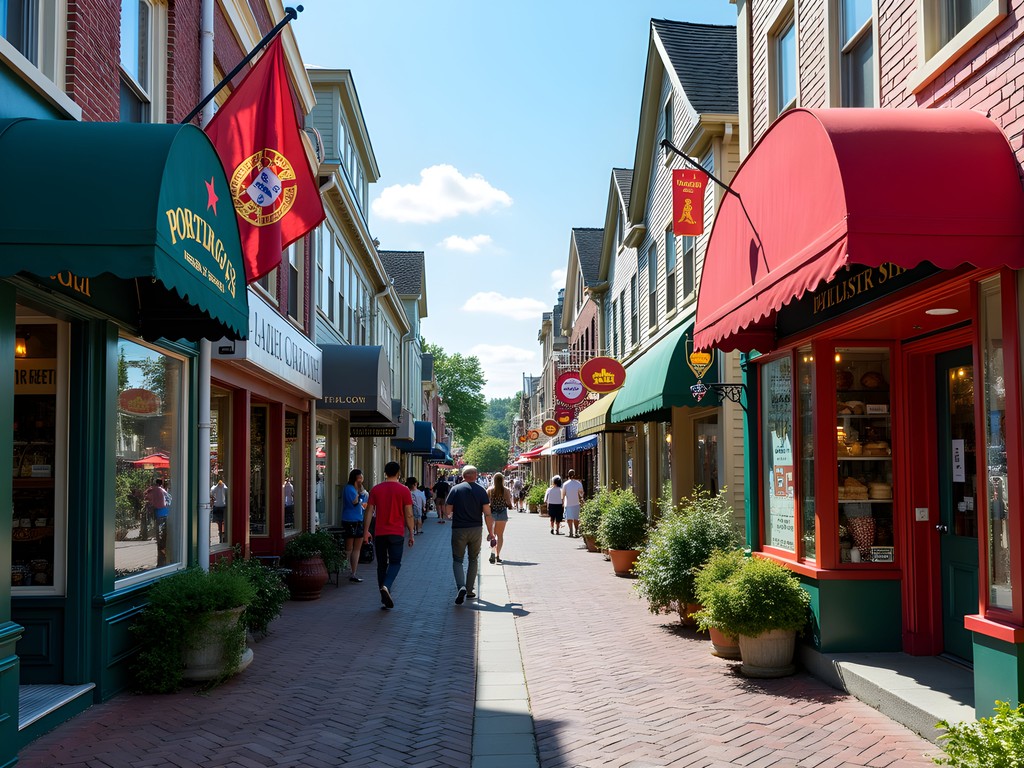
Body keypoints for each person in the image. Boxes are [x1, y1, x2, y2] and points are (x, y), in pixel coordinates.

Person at [364, 461, 416, 610]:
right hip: (396, 532)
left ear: (385, 473)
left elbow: (369, 511)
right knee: (395, 562)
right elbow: (409, 514)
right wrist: (412, 533)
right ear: (398, 473)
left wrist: (366, 531)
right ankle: (386, 586)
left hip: (380, 532)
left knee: (381, 565)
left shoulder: (376, 489)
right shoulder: (404, 490)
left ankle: (383, 596)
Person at [445, 465, 494, 605]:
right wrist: (490, 533)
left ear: (463, 475)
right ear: (476, 475)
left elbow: (448, 511)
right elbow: (487, 513)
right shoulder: (481, 491)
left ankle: (460, 586)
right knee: (473, 559)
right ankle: (470, 590)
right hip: (476, 529)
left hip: (459, 529)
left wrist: (450, 515)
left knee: (457, 559)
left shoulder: (455, 489)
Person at [341, 469, 369, 583]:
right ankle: (346, 568)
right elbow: (355, 502)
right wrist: (360, 494)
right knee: (349, 547)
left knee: (357, 547)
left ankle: (354, 572)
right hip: (349, 520)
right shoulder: (349, 489)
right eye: (359, 478)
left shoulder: (359, 490)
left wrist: (363, 493)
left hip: (359, 519)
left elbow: (364, 504)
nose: (361, 480)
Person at [487, 472, 513, 564]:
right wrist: (509, 506)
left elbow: (487, 503)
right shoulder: (506, 490)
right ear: (502, 480)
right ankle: (498, 555)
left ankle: (492, 552)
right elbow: (509, 503)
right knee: (500, 535)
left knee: (493, 535)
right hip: (502, 513)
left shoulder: (490, 490)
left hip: (492, 513)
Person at [144, 477, 171, 566]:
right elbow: (169, 499)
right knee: (163, 534)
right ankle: (163, 555)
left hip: (157, 513)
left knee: (159, 535)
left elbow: (146, 497)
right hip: (164, 512)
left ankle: (161, 558)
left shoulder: (152, 490)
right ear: (161, 483)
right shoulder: (162, 490)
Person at [562, 469, 585, 538]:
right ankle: (576, 531)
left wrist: (563, 502)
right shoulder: (578, 483)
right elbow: (581, 493)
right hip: (576, 503)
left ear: (568, 475)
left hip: (568, 503)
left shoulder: (565, 484)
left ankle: (571, 531)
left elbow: (563, 494)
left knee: (569, 518)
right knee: (576, 518)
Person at [210, 476, 228, 544]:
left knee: (217, 522)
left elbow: (211, 494)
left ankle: (220, 534)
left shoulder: (214, 488)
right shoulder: (224, 487)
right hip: (222, 506)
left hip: (216, 506)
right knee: (221, 522)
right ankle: (221, 535)